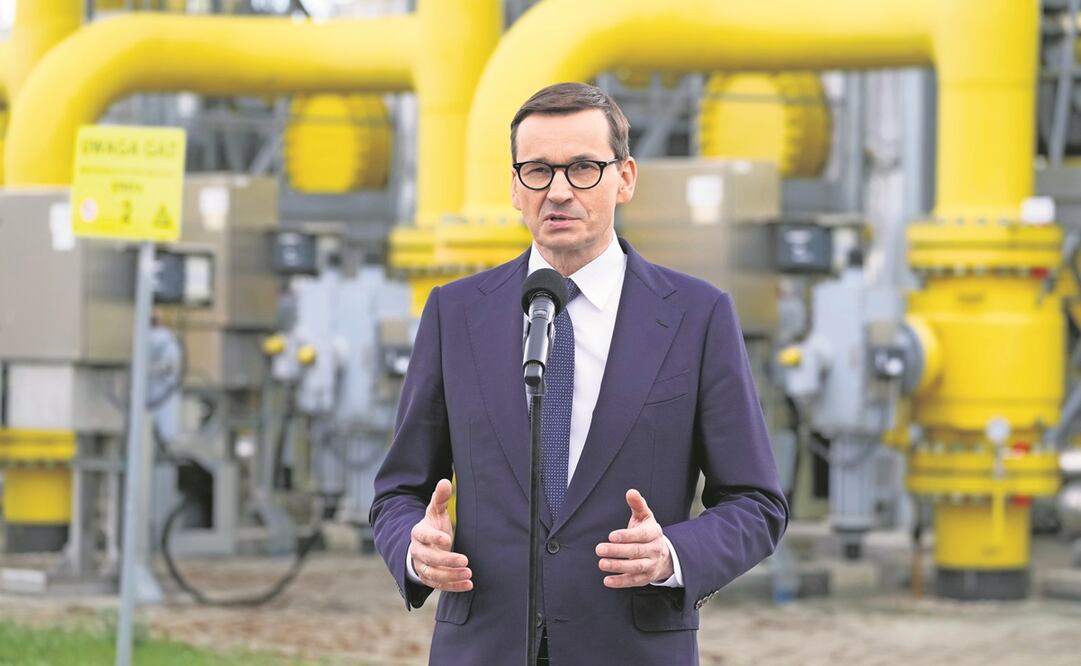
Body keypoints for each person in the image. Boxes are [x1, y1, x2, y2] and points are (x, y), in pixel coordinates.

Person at [371, 82, 788, 666]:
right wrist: (414, 550)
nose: (559, 191)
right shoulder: (455, 312)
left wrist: (671, 554)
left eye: (584, 168)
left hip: (631, 647)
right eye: (538, 170)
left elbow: (756, 502)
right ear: (515, 187)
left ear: (626, 178)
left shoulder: (697, 315)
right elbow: (398, 490)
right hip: (483, 646)